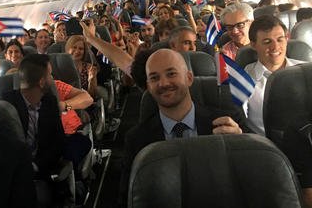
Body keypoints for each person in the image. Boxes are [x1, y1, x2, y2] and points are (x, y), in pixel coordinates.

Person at [120, 49, 247, 205]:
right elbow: (129, 198)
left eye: (171, 74)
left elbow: (251, 183)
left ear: (189, 78)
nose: (164, 83)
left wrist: (241, 145)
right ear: (148, 86)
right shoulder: (136, 140)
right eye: (154, 78)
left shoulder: (227, 123)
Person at [1, 54, 65, 182]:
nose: (52, 79)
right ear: (41, 82)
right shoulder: (6, 104)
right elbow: (2, 146)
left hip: (41, 168)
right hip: (12, 173)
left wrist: (35, 166)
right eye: (50, 75)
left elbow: (58, 142)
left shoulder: (49, 101)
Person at [244, 15, 305, 134]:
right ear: (253, 45)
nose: (275, 47)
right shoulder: (244, 80)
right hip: (264, 148)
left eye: (280, 39)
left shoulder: (306, 72)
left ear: (287, 39)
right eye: (267, 42)